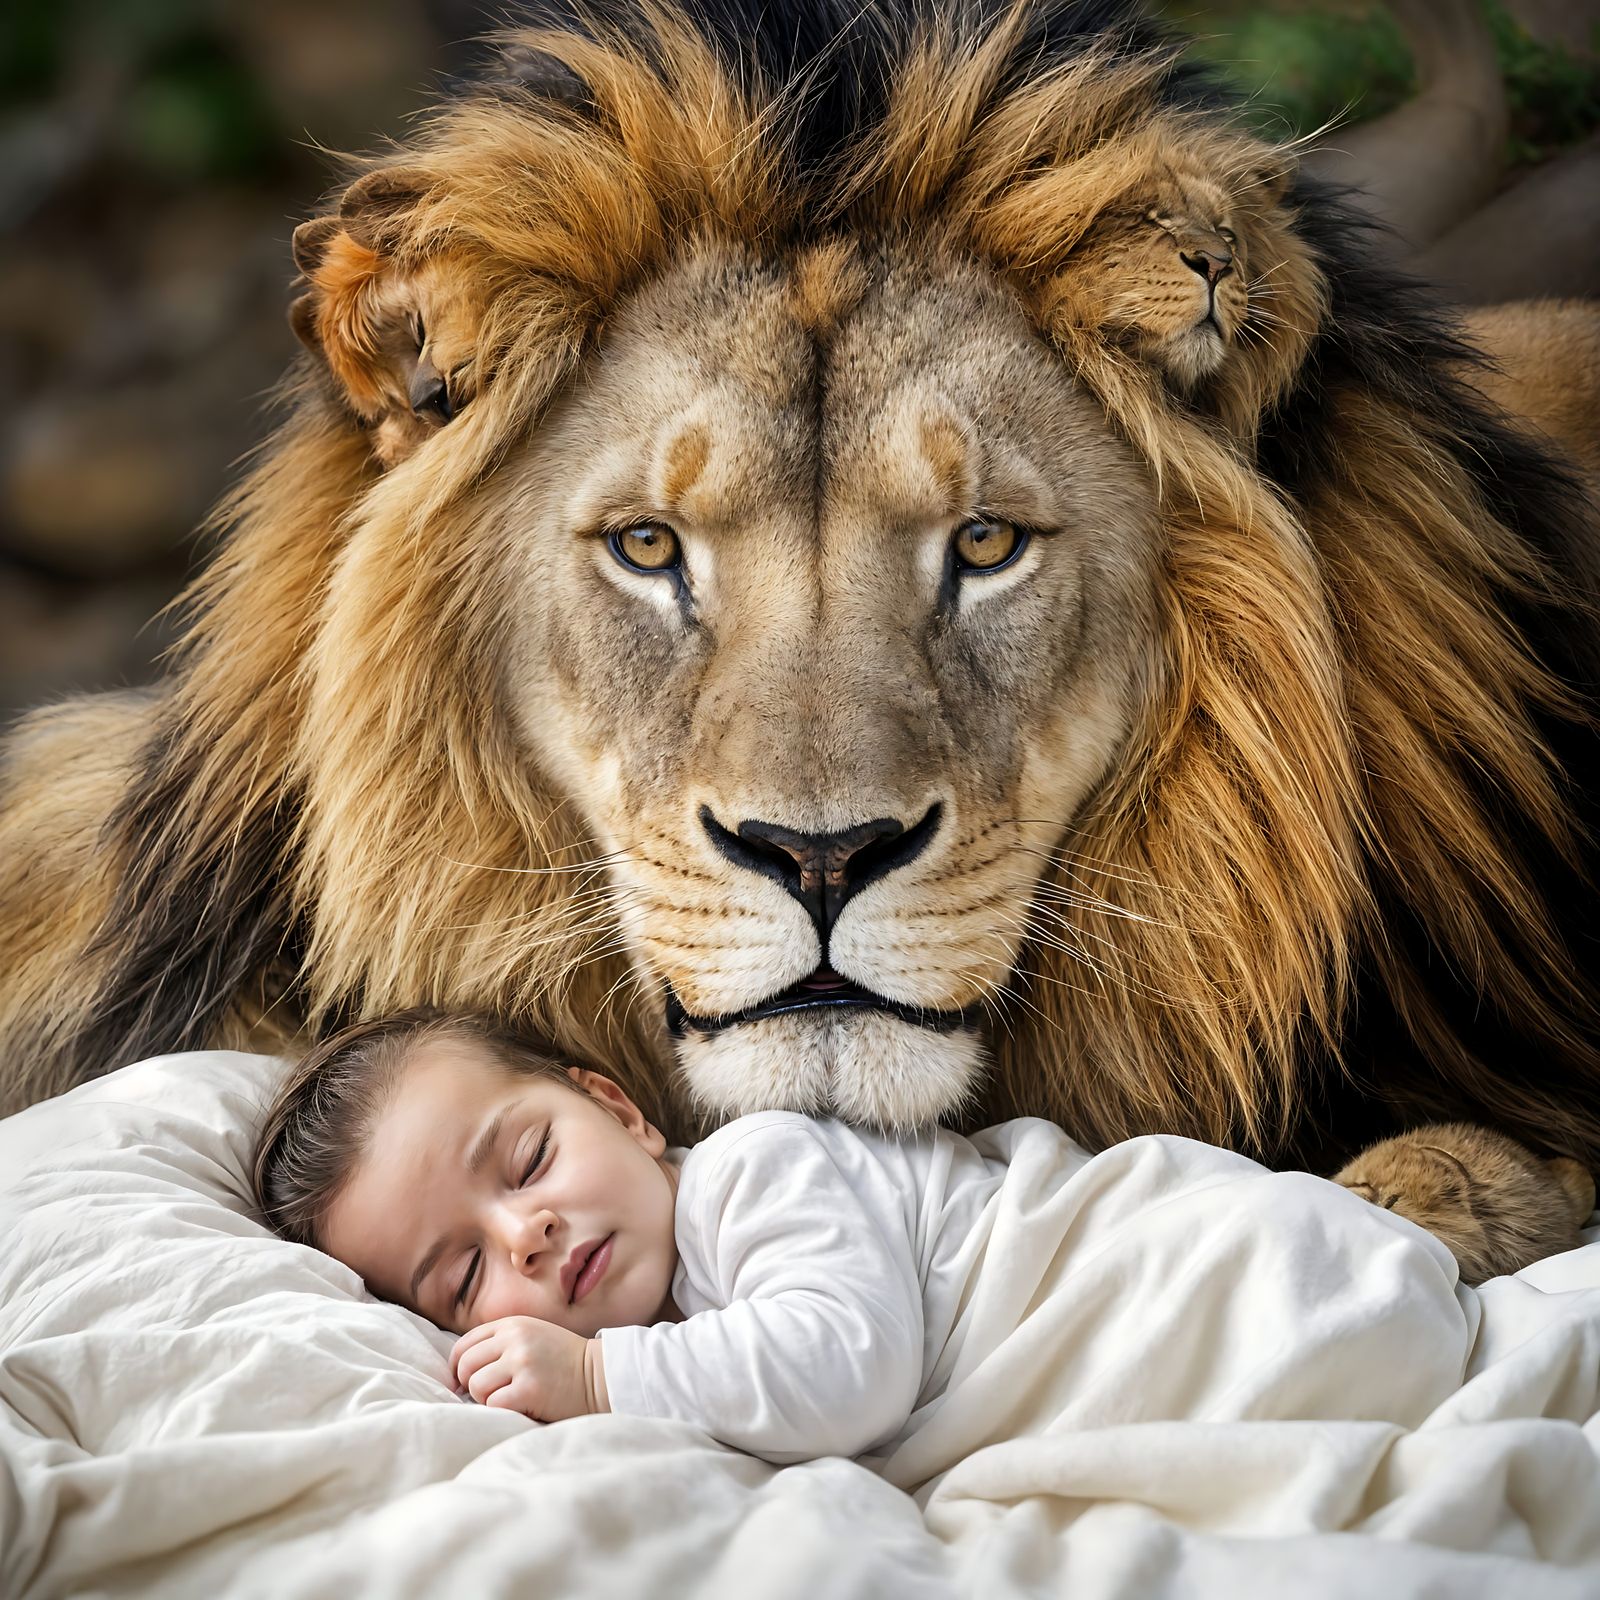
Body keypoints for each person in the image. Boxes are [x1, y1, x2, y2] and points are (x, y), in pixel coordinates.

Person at [253, 1008, 1054, 1464]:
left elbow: (847, 1368)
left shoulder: (751, 1166)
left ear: (619, 1111)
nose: (526, 1234)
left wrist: (595, 1377)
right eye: (465, 1276)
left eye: (531, 1159)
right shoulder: (675, 1353)